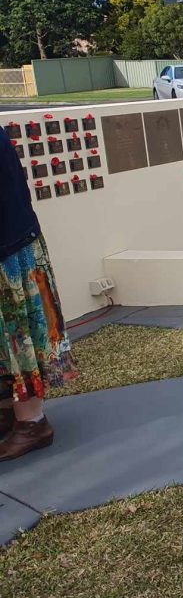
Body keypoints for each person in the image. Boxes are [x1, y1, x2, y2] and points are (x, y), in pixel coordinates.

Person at [0, 133, 76, 461]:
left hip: (10, 254)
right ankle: (13, 410)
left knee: (18, 339)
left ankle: (32, 423)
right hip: (17, 244)